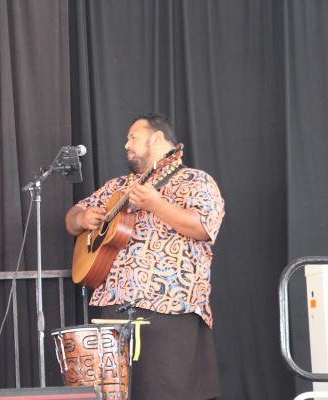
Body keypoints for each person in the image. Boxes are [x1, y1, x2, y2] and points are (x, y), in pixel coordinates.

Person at [65, 113, 225, 400]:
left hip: (169, 311)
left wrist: (155, 203)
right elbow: (72, 217)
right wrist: (83, 218)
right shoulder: (117, 187)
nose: (126, 144)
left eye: (133, 137)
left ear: (157, 138)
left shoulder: (195, 181)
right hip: (113, 313)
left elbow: (204, 227)